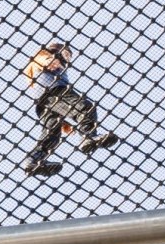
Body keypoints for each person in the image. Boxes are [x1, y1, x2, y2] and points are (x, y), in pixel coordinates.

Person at [22, 42, 120, 176]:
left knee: (52, 135)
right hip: (55, 92)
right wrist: (52, 60)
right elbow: (43, 61)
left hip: (45, 102)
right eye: (67, 53)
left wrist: (63, 115)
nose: (68, 58)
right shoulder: (45, 56)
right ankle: (88, 136)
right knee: (85, 107)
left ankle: (32, 161)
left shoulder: (53, 66)